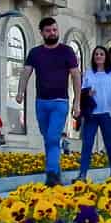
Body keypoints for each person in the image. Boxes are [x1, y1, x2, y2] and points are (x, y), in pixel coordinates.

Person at [17, 17, 81, 186]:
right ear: (42, 33)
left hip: (60, 103)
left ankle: (51, 175)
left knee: (53, 137)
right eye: (48, 31)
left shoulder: (67, 51)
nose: (52, 33)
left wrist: (76, 102)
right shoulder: (35, 53)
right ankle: (56, 173)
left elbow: (76, 76)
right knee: (48, 138)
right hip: (41, 103)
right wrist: (20, 92)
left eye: (54, 30)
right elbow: (25, 72)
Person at [78, 46, 111, 180]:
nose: (98, 56)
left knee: (109, 144)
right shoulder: (89, 72)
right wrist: (87, 93)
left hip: (107, 113)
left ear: (106, 57)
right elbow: (82, 90)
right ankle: (82, 174)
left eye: (101, 54)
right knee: (87, 144)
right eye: (96, 54)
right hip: (92, 113)